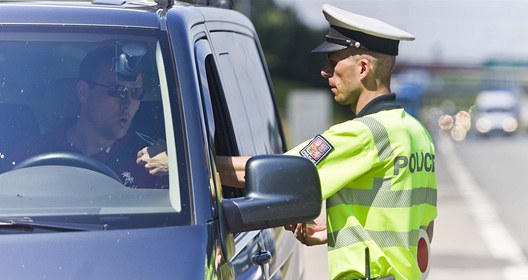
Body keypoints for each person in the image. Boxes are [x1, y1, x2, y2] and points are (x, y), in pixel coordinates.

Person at [136, 4, 437, 279]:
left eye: (333, 62)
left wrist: (180, 163)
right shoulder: (415, 133)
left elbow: (278, 173)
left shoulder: (363, 133)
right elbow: (416, 227)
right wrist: (334, 233)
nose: (324, 72)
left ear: (362, 68)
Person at [11, 46, 165, 189]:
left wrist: (176, 166)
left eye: (136, 93)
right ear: (83, 92)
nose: (128, 102)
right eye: (119, 90)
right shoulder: (34, 152)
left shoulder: (152, 160)